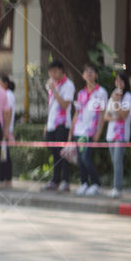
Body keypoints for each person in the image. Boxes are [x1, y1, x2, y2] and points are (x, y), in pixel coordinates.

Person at [70, 64, 109, 196]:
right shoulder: (81, 93)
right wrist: (71, 130)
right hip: (78, 130)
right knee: (81, 159)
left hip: (90, 131)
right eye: (86, 72)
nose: (89, 74)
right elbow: (77, 113)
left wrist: (98, 132)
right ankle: (84, 183)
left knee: (86, 157)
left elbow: (103, 113)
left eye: (92, 71)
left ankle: (96, 184)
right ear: (83, 75)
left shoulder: (101, 92)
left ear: (96, 75)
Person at [96, 70, 131, 199]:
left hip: (122, 135)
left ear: (125, 82)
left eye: (121, 80)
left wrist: (117, 103)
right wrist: (115, 115)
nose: (118, 83)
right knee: (114, 161)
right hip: (111, 134)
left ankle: (118, 188)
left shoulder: (127, 96)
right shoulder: (113, 95)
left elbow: (124, 115)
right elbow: (106, 116)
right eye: (117, 80)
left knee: (118, 161)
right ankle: (116, 187)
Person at [43, 60, 75, 192]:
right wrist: (46, 124)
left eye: (55, 71)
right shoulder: (53, 85)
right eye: (50, 72)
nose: (52, 74)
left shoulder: (68, 85)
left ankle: (65, 181)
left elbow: (65, 105)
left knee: (63, 153)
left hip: (62, 124)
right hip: (51, 124)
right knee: (55, 153)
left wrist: (54, 90)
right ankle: (55, 180)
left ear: (62, 71)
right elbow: (51, 106)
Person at [0, 75, 17, 187]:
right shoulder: (6, 94)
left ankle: (7, 178)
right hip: (5, 127)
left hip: (6, 128)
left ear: (5, 83)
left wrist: (6, 129)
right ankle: (3, 177)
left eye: (0, 82)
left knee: (5, 154)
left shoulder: (8, 95)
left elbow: (8, 112)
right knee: (3, 154)